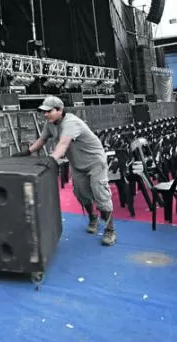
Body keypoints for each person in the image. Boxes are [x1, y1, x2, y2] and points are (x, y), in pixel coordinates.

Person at [17, 95, 116, 246]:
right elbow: (42, 139)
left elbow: (63, 145)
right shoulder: (50, 123)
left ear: (60, 110)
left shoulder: (71, 123)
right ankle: (93, 218)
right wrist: (27, 152)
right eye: (44, 111)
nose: (45, 114)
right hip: (77, 164)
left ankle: (110, 230)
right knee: (81, 193)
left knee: (100, 194)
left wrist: (51, 160)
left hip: (95, 162)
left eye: (49, 111)